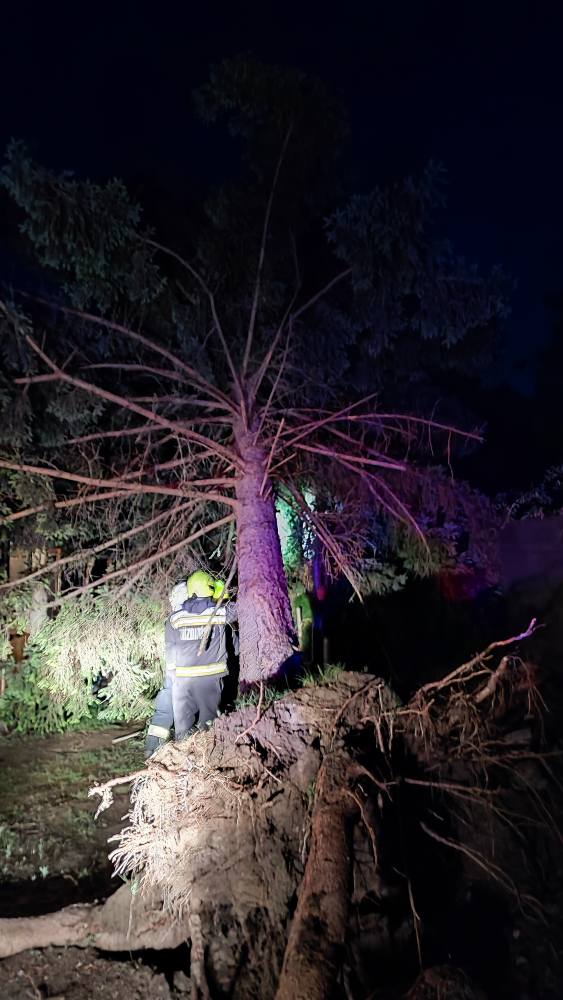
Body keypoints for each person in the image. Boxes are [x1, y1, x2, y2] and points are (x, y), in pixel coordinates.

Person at [145, 571, 237, 757]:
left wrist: (173, 674)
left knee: (179, 722)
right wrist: (222, 593)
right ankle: (206, 757)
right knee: (207, 721)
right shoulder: (216, 612)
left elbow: (171, 646)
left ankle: (172, 754)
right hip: (208, 679)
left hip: (181, 677)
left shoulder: (175, 618)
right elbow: (236, 612)